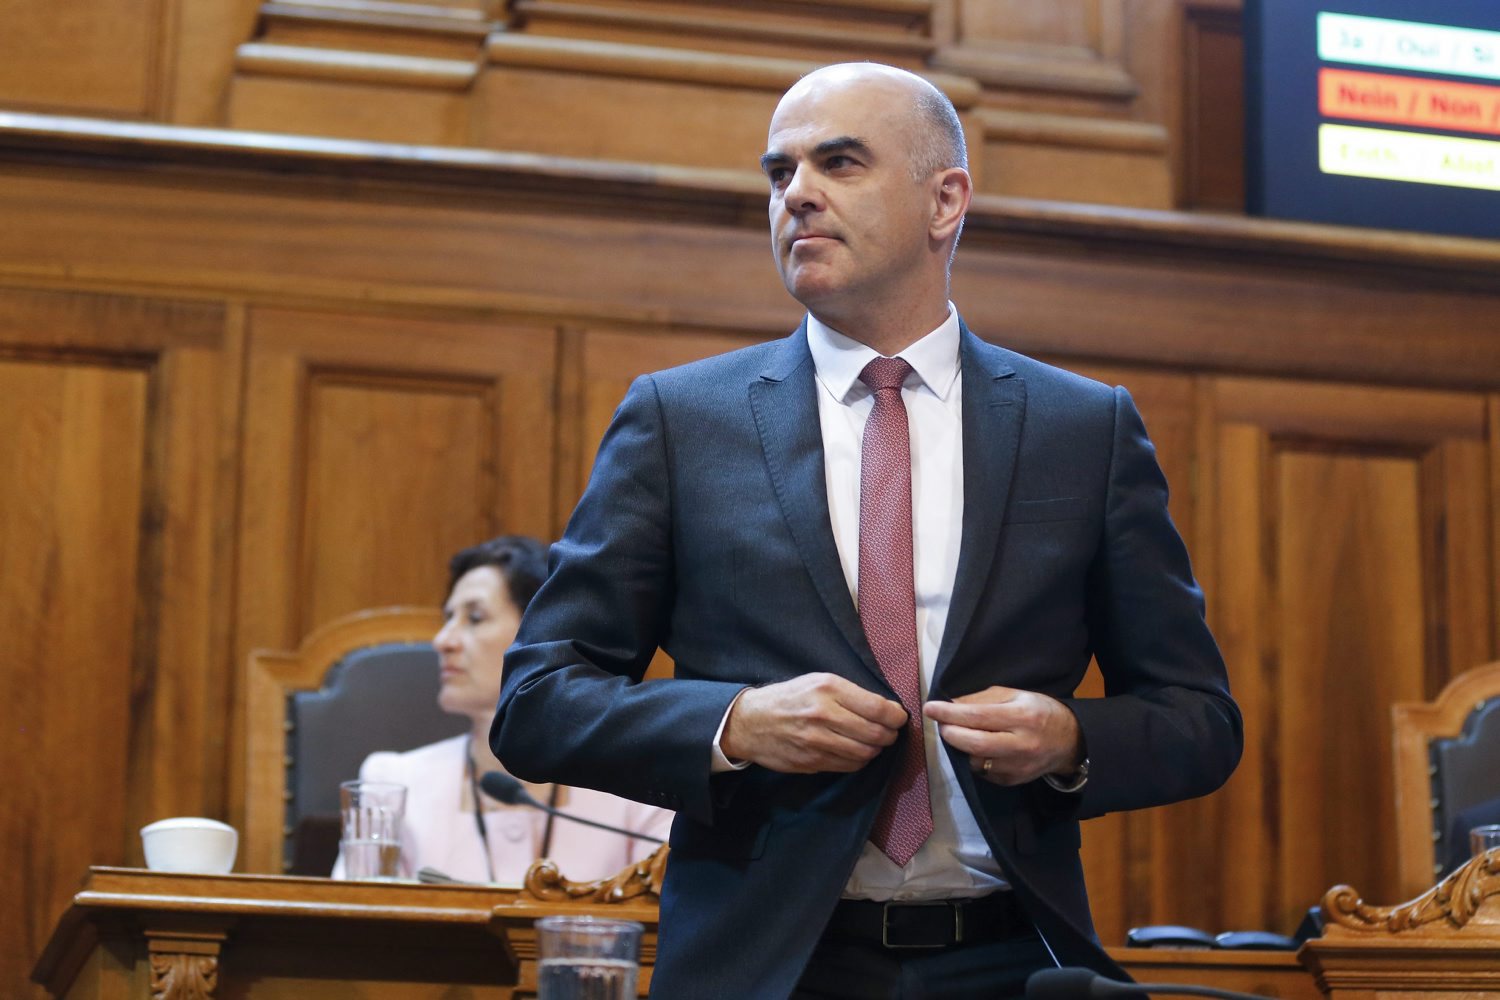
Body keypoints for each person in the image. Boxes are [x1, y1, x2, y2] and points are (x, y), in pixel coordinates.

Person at [494, 63, 1243, 998]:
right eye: (779, 173)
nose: (796, 193)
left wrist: (1068, 738)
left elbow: (1199, 721)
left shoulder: (1081, 430)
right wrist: (734, 723)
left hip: (1010, 957)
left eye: (838, 162)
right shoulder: (681, 422)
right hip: (767, 967)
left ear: (946, 201)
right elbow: (539, 702)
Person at [332, 535, 672, 884]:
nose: (443, 641)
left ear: (540, 635)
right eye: (448, 618)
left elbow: (656, 921)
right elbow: (359, 923)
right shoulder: (393, 782)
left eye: (475, 618)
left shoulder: (637, 790)